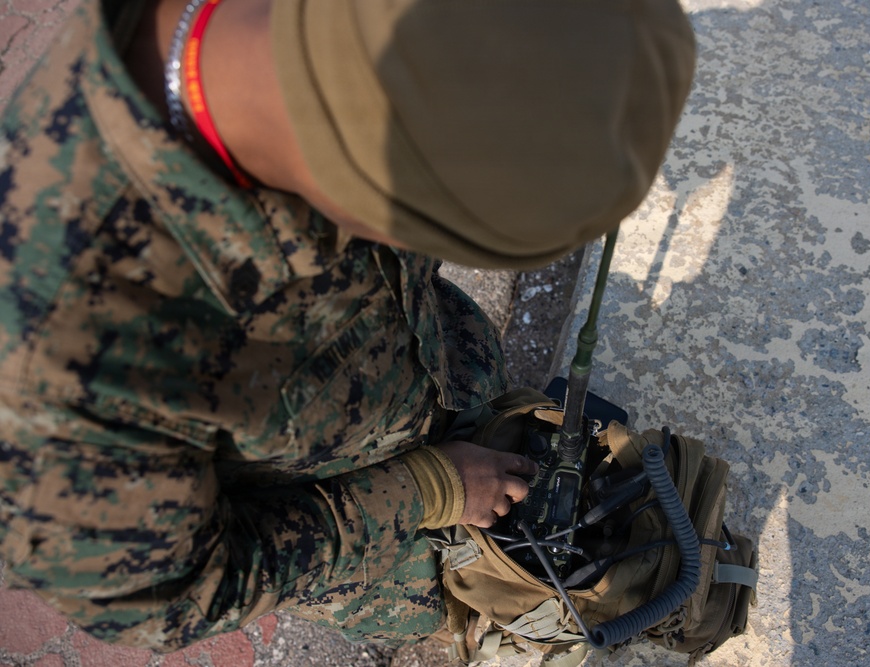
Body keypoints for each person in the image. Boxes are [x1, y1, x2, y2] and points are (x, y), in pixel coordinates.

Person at [0, 0, 695, 651]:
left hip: (439, 376)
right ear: (355, 204)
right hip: (369, 539)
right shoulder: (57, 364)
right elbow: (164, 598)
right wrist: (426, 490)